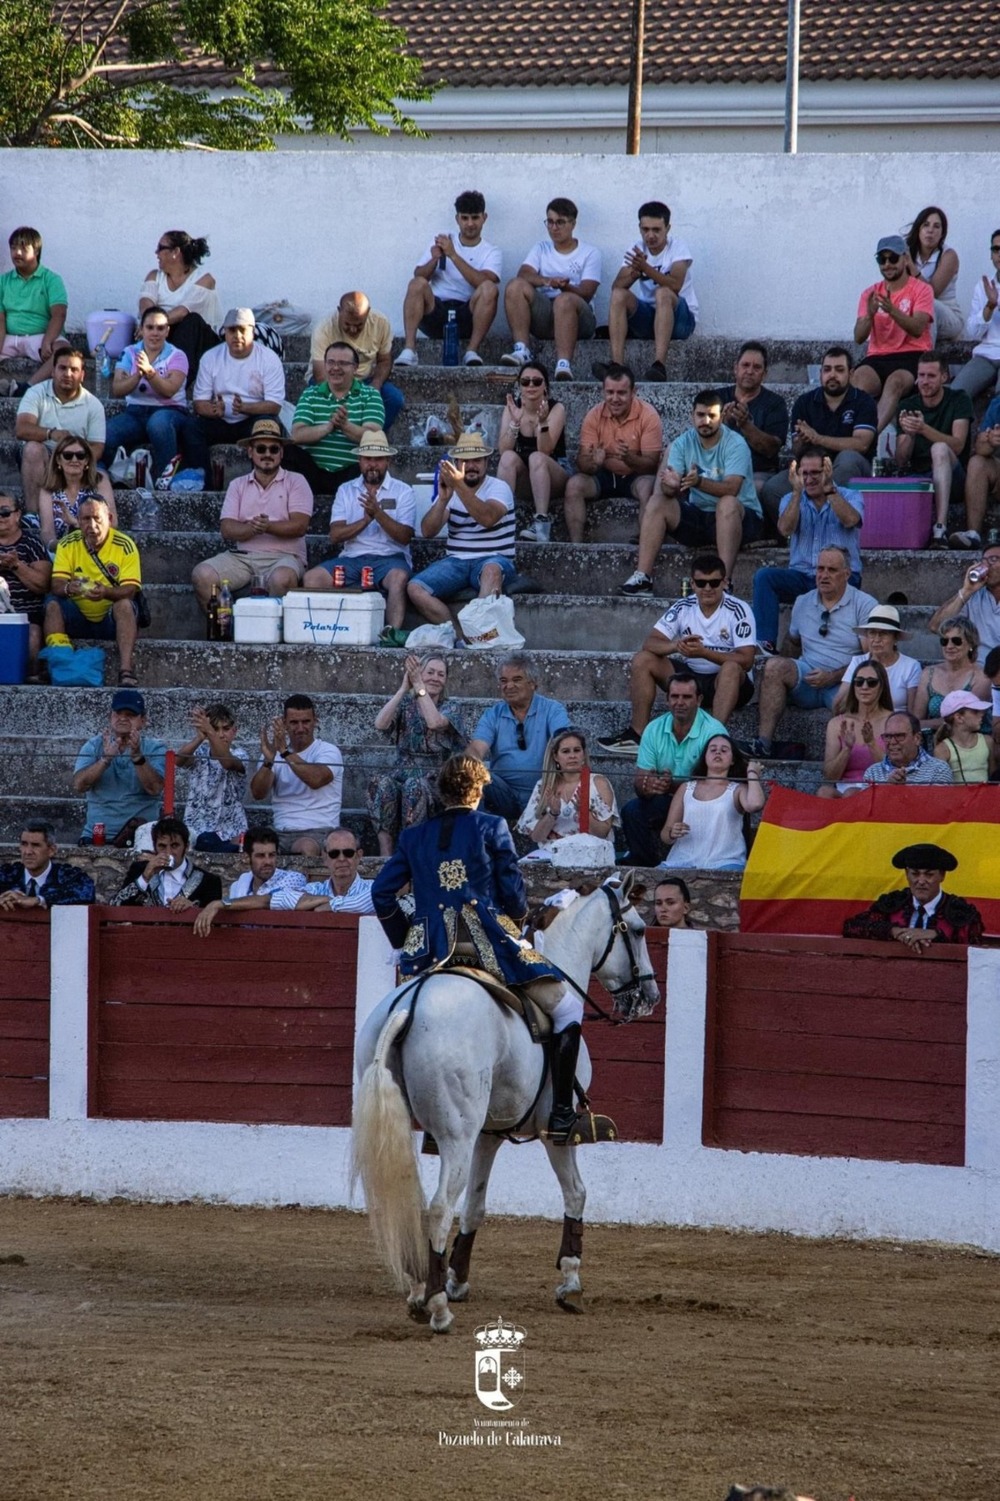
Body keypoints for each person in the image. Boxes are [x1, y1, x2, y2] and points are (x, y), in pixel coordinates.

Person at [370, 754, 571, 1138]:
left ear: (441, 792)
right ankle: (562, 1111)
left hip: (425, 951)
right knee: (568, 1006)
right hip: (486, 943)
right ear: (479, 790)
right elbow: (512, 898)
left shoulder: (413, 836)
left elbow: (382, 894)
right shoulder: (492, 826)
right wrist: (517, 919)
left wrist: (410, 938)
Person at [599, 553, 755, 756]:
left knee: (731, 668)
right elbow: (650, 643)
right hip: (693, 679)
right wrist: (676, 646)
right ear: (692, 583)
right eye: (701, 583)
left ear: (724, 582)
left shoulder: (739, 609)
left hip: (731, 684)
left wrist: (704, 653)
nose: (707, 588)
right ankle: (637, 734)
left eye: (714, 582)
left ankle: (714, 738)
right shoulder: (684, 606)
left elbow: (747, 660)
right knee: (643, 660)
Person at [620, 389, 763, 593]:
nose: (705, 421)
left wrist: (699, 483)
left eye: (711, 416)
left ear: (722, 417)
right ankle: (643, 577)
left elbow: (732, 488)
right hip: (702, 517)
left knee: (727, 503)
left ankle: (724, 583)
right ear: (692, 416)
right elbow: (669, 488)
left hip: (742, 519)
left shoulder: (735, 444)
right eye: (700, 415)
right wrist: (670, 484)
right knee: (657, 501)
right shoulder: (682, 443)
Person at [743, 547, 878, 759]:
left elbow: (870, 658)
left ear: (847, 574)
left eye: (832, 570)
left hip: (843, 682)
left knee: (852, 698)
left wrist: (833, 676)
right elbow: (793, 642)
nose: (824, 575)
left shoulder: (865, 604)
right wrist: (776, 679)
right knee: (774, 667)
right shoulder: (803, 601)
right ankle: (763, 743)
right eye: (820, 569)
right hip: (808, 677)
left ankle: (844, 763)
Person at [302, 429, 415, 645]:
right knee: (311, 578)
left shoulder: (403, 491)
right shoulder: (346, 490)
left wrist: (378, 514)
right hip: (351, 558)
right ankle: (325, 633)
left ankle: (390, 637)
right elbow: (335, 535)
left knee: (399, 578)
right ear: (359, 460)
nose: (372, 464)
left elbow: (405, 537)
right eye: (367, 458)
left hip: (390, 559)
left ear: (388, 461)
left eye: (378, 459)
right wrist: (366, 519)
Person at [191, 419, 313, 611]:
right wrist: (252, 529)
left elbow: (300, 526)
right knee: (202, 574)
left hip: (285, 557)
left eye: (273, 449)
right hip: (243, 558)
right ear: (250, 451)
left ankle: (272, 636)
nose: (267, 454)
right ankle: (226, 629)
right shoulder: (237, 484)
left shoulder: (296, 481)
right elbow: (226, 528)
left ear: (281, 453)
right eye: (261, 448)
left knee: (282, 578)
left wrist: (267, 527)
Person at [752, 449, 865, 655]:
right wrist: (796, 493)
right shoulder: (790, 498)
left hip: (841, 578)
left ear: (828, 471)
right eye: (804, 474)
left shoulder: (850, 495)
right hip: (802, 577)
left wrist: (831, 491)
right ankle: (765, 643)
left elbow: (851, 520)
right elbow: (785, 529)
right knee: (764, 577)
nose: (809, 479)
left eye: (816, 473)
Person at [406, 432, 516, 636]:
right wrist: (442, 500)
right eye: (465, 461)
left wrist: (459, 486)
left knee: (491, 571)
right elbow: (427, 531)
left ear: (486, 462)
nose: (471, 466)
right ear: (456, 463)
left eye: (476, 460)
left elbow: (488, 518)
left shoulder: (499, 487)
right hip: (456, 561)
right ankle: (461, 637)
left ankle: (483, 636)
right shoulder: (452, 491)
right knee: (415, 588)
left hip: (494, 558)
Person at [619, 672, 727, 868]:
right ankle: (644, 866)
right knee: (632, 810)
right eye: (674, 696)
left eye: (686, 697)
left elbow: (716, 786)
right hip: (669, 800)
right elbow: (639, 781)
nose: (680, 702)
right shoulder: (653, 729)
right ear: (667, 699)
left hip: (704, 804)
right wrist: (649, 786)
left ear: (699, 700)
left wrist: (671, 786)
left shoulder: (714, 731)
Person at [760, 346, 877, 522]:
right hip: (811, 469)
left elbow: (861, 444)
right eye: (827, 369)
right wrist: (802, 441)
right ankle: (808, 526)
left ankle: (833, 524)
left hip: (853, 468)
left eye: (839, 370)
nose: (832, 375)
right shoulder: (804, 402)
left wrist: (818, 438)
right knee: (772, 489)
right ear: (821, 372)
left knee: (846, 459)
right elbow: (797, 451)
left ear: (851, 374)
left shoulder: (863, 401)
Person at [368, 652, 467, 855]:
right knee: (380, 783)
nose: (435, 678)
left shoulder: (452, 707)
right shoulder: (406, 705)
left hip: (436, 777)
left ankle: (409, 852)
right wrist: (405, 688)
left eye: (441, 674)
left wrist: (419, 687)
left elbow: (434, 723)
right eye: (429, 672)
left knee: (414, 787)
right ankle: (385, 855)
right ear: (419, 674)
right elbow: (380, 724)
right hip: (402, 772)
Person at [395, 191, 502, 369]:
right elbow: (419, 275)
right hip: (436, 312)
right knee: (417, 284)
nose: (470, 224)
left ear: (484, 218)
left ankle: (472, 351)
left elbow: (484, 282)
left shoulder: (492, 251)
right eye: (465, 218)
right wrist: (435, 259)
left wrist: (453, 255)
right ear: (457, 218)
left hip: (467, 315)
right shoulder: (442, 240)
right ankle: (409, 350)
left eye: (475, 218)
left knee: (489, 289)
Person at [46, 495, 143, 687]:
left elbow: (131, 589)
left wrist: (106, 592)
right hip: (77, 615)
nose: (92, 525)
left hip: (109, 619)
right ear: (78, 521)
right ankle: (59, 664)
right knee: (52, 605)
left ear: (110, 518)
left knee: (125, 605)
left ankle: (126, 669)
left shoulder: (125, 545)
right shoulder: (67, 544)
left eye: (97, 518)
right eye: (85, 519)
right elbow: (56, 584)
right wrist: (69, 587)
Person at [103, 306, 204, 489]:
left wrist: (150, 373)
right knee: (106, 433)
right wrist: (138, 375)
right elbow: (118, 389)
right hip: (135, 412)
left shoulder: (177, 355)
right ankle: (112, 479)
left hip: (171, 411)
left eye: (160, 328)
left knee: (158, 424)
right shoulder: (129, 352)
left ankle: (164, 480)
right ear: (141, 330)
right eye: (150, 327)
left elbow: (169, 390)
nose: (155, 333)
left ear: (167, 331)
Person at [501, 197, 601, 380]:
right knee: (515, 286)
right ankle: (522, 350)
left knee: (564, 300)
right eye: (550, 222)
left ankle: (563, 363)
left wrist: (566, 287)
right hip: (546, 316)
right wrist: (547, 281)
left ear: (573, 224)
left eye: (560, 222)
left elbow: (587, 293)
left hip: (580, 320)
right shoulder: (541, 248)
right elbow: (523, 274)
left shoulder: (590, 252)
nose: (554, 228)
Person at [600, 200, 697, 382]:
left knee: (663, 293)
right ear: (639, 228)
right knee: (619, 295)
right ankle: (616, 366)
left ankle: (659, 365)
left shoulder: (677, 248)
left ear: (667, 228)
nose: (650, 235)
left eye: (656, 229)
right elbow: (616, 287)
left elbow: (675, 285)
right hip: (651, 319)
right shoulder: (637, 249)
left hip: (681, 321)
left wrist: (646, 268)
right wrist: (634, 274)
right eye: (645, 229)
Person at [563, 365, 661, 543]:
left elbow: (653, 463)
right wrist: (594, 464)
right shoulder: (594, 415)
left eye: (622, 393)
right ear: (603, 392)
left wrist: (630, 459)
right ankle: (576, 545)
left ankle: (645, 543)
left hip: (636, 476)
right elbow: (582, 462)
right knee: (574, 485)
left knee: (650, 487)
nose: (615, 399)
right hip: (604, 474)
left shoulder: (649, 415)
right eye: (610, 392)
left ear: (633, 391)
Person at [467, 653, 570, 820]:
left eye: (516, 679)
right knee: (472, 771)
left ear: (533, 683)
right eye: (503, 681)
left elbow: (564, 741)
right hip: (504, 794)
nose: (509, 686)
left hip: (544, 792)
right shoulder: (493, 714)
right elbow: (477, 748)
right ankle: (476, 838)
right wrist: (471, 763)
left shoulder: (552, 710)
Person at [852, 234, 934, 434]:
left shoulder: (922, 290)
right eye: (882, 259)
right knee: (858, 380)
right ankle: (849, 433)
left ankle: (867, 437)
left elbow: (917, 329)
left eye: (893, 258)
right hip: (878, 356)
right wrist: (869, 316)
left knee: (895, 383)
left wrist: (892, 311)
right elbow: (859, 337)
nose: (887, 264)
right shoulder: (869, 293)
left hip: (912, 354)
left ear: (905, 259)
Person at [894, 351, 972, 549]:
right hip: (920, 478)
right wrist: (910, 434)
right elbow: (901, 460)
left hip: (954, 478)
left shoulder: (959, 399)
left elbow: (958, 445)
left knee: (939, 449)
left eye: (931, 376)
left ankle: (940, 527)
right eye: (921, 375)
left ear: (944, 377)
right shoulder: (908, 404)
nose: (924, 381)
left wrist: (923, 429)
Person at [286, 342, 384, 497]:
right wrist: (328, 427)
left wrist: (345, 425)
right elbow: (297, 435)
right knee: (286, 451)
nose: (335, 368)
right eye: (331, 362)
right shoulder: (311, 393)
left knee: (372, 462)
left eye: (343, 363)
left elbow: (373, 439)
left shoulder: (370, 395)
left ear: (355, 368)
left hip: (351, 473)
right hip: (313, 472)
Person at [249, 694, 342, 857]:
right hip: (279, 832)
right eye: (294, 722)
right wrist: (268, 761)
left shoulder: (328, 751)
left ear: (315, 721)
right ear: (284, 724)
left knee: (306, 848)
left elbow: (316, 779)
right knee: (246, 844)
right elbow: (258, 793)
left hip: (318, 832)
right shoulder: (274, 755)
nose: (300, 728)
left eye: (306, 722)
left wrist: (285, 752)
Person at [15, 347, 106, 514]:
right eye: (62, 368)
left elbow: (98, 447)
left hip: (76, 458)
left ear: (82, 375)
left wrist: (74, 457)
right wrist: (51, 433)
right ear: (53, 371)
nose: (68, 374)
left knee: (102, 474)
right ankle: (34, 514)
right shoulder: (36, 393)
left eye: (74, 369)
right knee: (32, 449)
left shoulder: (93, 405)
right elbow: (22, 429)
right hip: (44, 454)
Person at [72, 688, 166, 845]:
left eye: (130, 715)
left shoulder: (155, 748)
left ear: (143, 720)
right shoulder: (93, 746)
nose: (122, 719)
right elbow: (79, 785)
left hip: (142, 837)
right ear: (110, 717)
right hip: (97, 835)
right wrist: (105, 760)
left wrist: (138, 757)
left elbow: (155, 788)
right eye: (118, 714)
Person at [843, 843, 983, 948]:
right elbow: (851, 927)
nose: (921, 881)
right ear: (906, 874)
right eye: (915, 874)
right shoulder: (892, 903)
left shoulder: (960, 911)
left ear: (942, 876)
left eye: (929, 874)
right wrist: (894, 931)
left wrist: (935, 934)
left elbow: (974, 943)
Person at [659, 734, 765, 871]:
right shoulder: (686, 788)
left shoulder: (738, 789)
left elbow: (755, 804)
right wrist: (672, 833)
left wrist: (752, 773)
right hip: (683, 860)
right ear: (705, 757)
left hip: (726, 861)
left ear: (733, 760)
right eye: (713, 749)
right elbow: (665, 834)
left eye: (724, 750)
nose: (718, 752)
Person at [517, 726, 619, 866]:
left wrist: (583, 811)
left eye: (577, 750)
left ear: (583, 754)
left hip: (589, 855)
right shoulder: (544, 786)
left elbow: (603, 833)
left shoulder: (598, 783)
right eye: (565, 751)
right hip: (551, 855)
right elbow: (536, 837)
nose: (572, 756)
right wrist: (552, 813)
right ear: (555, 756)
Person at [495, 361, 569, 543]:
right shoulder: (513, 408)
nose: (531, 386)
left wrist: (542, 422)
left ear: (545, 386)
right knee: (508, 458)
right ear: (519, 385)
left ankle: (541, 522)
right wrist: (515, 423)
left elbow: (546, 450)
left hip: (554, 474)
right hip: (526, 478)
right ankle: (499, 520)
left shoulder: (556, 408)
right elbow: (503, 449)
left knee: (537, 457)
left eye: (537, 381)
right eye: (525, 381)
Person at [192, 308, 284, 449]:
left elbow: (274, 405)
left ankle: (261, 471)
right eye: (232, 330)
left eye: (242, 330)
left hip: (252, 420)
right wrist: (214, 411)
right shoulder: (210, 357)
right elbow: (199, 403)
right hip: (220, 421)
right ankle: (200, 471)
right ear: (225, 332)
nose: (237, 335)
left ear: (253, 332)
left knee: (268, 426)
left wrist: (244, 408)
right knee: (191, 428)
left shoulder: (269, 359)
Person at [311, 291, 403, 431]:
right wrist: (341, 395)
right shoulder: (324, 328)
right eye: (347, 324)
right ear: (339, 312)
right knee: (315, 398)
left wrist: (376, 385)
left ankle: (371, 441)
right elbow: (320, 374)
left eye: (359, 325)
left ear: (368, 313)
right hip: (330, 378)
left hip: (364, 380)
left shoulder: (380, 322)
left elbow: (384, 360)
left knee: (395, 399)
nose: (353, 329)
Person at [138, 229, 222, 382]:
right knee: (145, 324)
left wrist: (154, 325)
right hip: (168, 335)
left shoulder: (205, 279)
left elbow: (183, 311)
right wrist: (147, 323)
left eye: (160, 248)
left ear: (175, 252)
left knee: (191, 321)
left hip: (199, 343)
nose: (156, 253)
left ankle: (176, 380)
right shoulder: (154, 276)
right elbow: (145, 303)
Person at [193, 826, 307, 937]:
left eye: (272, 855)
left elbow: (266, 901)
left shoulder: (293, 879)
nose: (268, 861)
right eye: (260, 856)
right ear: (247, 858)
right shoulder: (239, 885)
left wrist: (219, 904)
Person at [716, 341, 787, 503]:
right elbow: (700, 438)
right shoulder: (716, 398)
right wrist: (723, 423)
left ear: (764, 373)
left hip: (757, 472)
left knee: (754, 488)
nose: (749, 371)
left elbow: (771, 449)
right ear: (736, 368)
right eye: (745, 365)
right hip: (719, 470)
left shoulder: (775, 403)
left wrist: (746, 425)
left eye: (756, 367)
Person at [176, 703, 249, 851]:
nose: (221, 734)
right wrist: (200, 737)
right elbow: (179, 760)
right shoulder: (200, 752)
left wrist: (210, 731)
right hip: (195, 829)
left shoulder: (240, 754)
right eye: (215, 729)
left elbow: (227, 762)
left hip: (230, 831)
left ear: (234, 731)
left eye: (226, 729)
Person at [0, 226, 67, 387]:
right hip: (10, 337)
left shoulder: (51, 279)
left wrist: (47, 341)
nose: (17, 253)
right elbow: (0, 319)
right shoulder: (3, 281)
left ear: (36, 251)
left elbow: (59, 314)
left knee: (64, 351)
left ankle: (27, 387)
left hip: (40, 337)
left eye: (23, 248)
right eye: (13, 248)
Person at [819, 660, 896, 798]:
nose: (864, 687)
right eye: (859, 682)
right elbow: (830, 776)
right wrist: (847, 749)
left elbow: (894, 770)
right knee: (824, 792)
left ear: (882, 686)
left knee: (851, 794)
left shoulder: (894, 721)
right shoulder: (837, 723)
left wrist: (872, 743)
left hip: (882, 787)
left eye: (871, 682)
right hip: (844, 789)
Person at [111, 816, 222, 909]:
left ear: (186, 847)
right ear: (155, 848)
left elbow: (214, 925)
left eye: (174, 846)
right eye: (162, 846)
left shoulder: (209, 882)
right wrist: (144, 878)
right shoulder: (140, 870)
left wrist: (192, 909)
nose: (168, 852)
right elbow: (115, 906)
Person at [831, 603, 921, 715]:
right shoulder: (858, 662)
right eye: (872, 633)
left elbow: (913, 714)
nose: (876, 639)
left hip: (895, 725)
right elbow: (838, 704)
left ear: (895, 638)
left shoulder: (911, 666)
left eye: (883, 633)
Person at [0, 490, 51, 679]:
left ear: (18, 515)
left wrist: (16, 566)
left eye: (5, 512)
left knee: (33, 636)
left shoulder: (32, 544)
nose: (1, 518)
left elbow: (43, 584)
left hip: (25, 616)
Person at [37, 434, 117, 550]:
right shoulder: (48, 488)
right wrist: (62, 548)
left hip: (96, 547)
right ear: (58, 460)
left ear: (87, 460)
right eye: (68, 455)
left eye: (80, 456)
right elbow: (47, 531)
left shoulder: (99, 481)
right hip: (60, 550)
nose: (74, 460)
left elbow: (112, 522)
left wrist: (76, 523)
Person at [913, 615, 992, 729]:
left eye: (956, 641)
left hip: (967, 741)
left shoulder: (981, 676)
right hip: (932, 741)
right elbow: (917, 719)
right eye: (944, 641)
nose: (949, 646)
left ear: (971, 644)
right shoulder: (928, 673)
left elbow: (965, 719)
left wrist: (929, 724)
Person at [271, 830, 375, 915]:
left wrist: (332, 904)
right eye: (334, 854)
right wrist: (326, 899)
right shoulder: (316, 890)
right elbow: (278, 897)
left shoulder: (371, 888)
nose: (342, 858)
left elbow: (373, 898)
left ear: (358, 856)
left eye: (348, 853)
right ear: (325, 858)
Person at [928, 542, 1000, 664]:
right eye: (983, 560)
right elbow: (936, 626)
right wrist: (966, 591)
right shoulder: (972, 596)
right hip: (977, 673)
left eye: (993, 559)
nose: (987, 565)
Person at [0, 822, 95, 908]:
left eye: (36, 845)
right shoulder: (8, 873)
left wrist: (38, 900)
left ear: (51, 850)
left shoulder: (66, 875)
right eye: (24, 844)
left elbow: (87, 891)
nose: (28, 852)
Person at [950, 389, 1000, 550]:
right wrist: (990, 440)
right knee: (977, 463)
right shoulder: (998, 403)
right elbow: (980, 447)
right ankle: (973, 534)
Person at [952, 231, 1000, 400]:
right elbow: (973, 333)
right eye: (996, 249)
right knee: (955, 394)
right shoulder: (983, 286)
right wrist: (990, 306)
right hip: (986, 354)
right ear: (991, 254)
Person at [906, 206, 963, 343]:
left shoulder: (949, 255)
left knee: (929, 304)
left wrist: (911, 268)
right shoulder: (908, 251)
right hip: (915, 313)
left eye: (936, 226)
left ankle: (925, 356)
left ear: (942, 233)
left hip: (949, 318)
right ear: (918, 229)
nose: (930, 230)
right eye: (926, 225)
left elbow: (931, 293)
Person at [861, 711, 954, 786]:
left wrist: (903, 792)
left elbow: (939, 808)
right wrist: (887, 789)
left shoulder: (938, 769)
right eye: (888, 736)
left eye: (899, 736)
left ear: (917, 738)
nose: (892, 742)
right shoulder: (872, 772)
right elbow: (867, 808)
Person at [933, 690, 996, 783]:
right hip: (956, 797)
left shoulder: (987, 741)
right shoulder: (943, 750)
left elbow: (993, 778)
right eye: (975, 711)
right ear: (959, 718)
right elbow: (942, 787)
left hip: (985, 797)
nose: (981, 714)